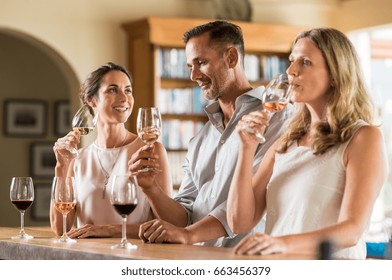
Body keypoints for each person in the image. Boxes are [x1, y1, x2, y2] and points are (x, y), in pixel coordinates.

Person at [227, 28, 388, 259]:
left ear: (335, 74)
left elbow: (351, 230)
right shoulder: (286, 142)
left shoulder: (363, 137)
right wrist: (246, 149)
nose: (291, 71)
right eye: (292, 61)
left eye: (305, 62)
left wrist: (280, 244)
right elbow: (239, 222)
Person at [132, 20, 290, 247]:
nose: (193, 75)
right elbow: (185, 219)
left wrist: (188, 235)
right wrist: (151, 189)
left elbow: (252, 201)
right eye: (190, 66)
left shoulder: (277, 118)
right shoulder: (200, 139)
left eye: (201, 62)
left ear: (231, 58)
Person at [50, 62, 172, 238]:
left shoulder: (150, 151)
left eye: (128, 90)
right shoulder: (78, 157)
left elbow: (166, 225)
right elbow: (60, 228)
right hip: (87, 259)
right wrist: (62, 166)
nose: (124, 98)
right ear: (91, 100)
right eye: (113, 90)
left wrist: (109, 230)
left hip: (133, 259)